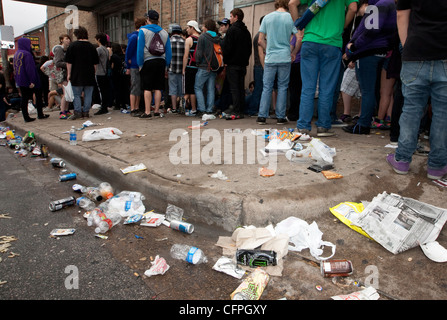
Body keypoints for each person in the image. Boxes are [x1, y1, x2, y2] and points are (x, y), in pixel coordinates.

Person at [386, 0, 447, 180]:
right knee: (443, 113)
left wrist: (407, 46)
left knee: (411, 110)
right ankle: (437, 165)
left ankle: (402, 160)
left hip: (416, 51)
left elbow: (401, 14)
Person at [289, 0, 358, 137]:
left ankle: (303, 127)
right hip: (332, 43)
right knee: (327, 88)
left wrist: (299, 26)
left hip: (310, 40)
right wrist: (342, 25)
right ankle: (323, 126)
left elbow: (292, 3)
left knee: (308, 87)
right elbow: (353, 8)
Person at [343, 0, 397, 135]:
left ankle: (363, 125)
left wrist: (354, 47)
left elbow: (372, 29)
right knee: (370, 90)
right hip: (378, 51)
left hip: (367, 52)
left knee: (367, 90)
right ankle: (364, 123)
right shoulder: (389, 5)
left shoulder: (380, 5)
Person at [256, 0, 301, 125]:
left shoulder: (267, 18)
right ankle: (280, 117)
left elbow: (260, 40)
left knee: (267, 87)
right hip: (285, 57)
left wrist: (268, 48)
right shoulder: (291, 18)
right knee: (282, 86)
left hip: (271, 57)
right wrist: (294, 52)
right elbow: (299, 38)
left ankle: (262, 116)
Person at [137, 9, 172, 119]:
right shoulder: (164, 32)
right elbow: (168, 51)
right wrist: (167, 65)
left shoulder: (143, 31)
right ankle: (157, 110)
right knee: (158, 87)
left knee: (147, 87)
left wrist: (140, 64)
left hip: (148, 61)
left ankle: (147, 111)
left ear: (148, 19)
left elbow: (140, 49)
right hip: (161, 61)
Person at [221, 8, 252, 120]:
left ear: (236, 17)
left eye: (231, 16)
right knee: (240, 87)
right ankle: (240, 109)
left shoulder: (232, 30)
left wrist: (226, 60)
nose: (230, 19)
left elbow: (227, 48)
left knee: (234, 88)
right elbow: (249, 49)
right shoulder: (246, 32)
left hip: (233, 64)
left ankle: (236, 111)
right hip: (242, 64)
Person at [65, 26, 99, 120]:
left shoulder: (72, 46)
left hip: (76, 73)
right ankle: (86, 112)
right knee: (88, 94)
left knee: (77, 94)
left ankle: (77, 112)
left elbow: (69, 62)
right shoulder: (92, 47)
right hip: (89, 74)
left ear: (76, 35)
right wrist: (94, 72)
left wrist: (69, 74)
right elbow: (95, 63)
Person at [13, 37, 48, 122]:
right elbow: (30, 69)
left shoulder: (16, 54)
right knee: (38, 95)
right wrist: (32, 80)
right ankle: (40, 114)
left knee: (24, 98)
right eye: (30, 43)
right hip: (29, 79)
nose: (31, 45)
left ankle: (26, 116)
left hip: (20, 79)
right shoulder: (27, 54)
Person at [194, 19, 221, 115]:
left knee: (198, 87)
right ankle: (209, 109)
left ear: (206, 27)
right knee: (211, 89)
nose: (202, 27)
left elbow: (199, 53)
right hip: (214, 66)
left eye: (203, 26)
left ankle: (201, 109)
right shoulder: (218, 37)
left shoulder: (203, 37)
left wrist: (197, 62)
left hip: (203, 66)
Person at [125, 17, 146, 117]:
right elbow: (128, 52)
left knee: (138, 88)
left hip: (139, 64)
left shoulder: (140, 36)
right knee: (134, 87)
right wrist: (128, 66)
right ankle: (133, 108)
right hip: (134, 65)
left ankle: (137, 107)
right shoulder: (134, 37)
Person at [182, 20, 201, 116]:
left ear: (192, 28)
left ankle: (193, 109)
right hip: (200, 67)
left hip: (190, 66)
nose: (187, 29)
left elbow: (186, 56)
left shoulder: (189, 40)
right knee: (198, 88)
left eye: (188, 27)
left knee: (190, 89)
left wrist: (183, 68)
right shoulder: (201, 38)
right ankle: (198, 108)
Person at [94, 33, 113, 115]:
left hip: (99, 72)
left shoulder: (99, 49)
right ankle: (105, 105)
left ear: (98, 39)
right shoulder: (106, 49)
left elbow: (94, 60)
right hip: (105, 72)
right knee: (105, 90)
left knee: (101, 90)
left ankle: (103, 107)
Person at [53, 34, 71, 119]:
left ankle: (66, 110)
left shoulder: (66, 50)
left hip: (66, 73)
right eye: (66, 39)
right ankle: (63, 111)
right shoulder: (59, 49)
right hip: (63, 74)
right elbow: (58, 63)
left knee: (68, 93)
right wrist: (68, 64)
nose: (68, 40)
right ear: (61, 40)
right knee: (65, 93)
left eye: (69, 39)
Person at [168, 24, 185, 113]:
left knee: (173, 89)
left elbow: (167, 56)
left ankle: (174, 108)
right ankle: (182, 106)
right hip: (182, 68)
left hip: (172, 68)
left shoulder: (169, 41)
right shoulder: (184, 41)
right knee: (182, 89)